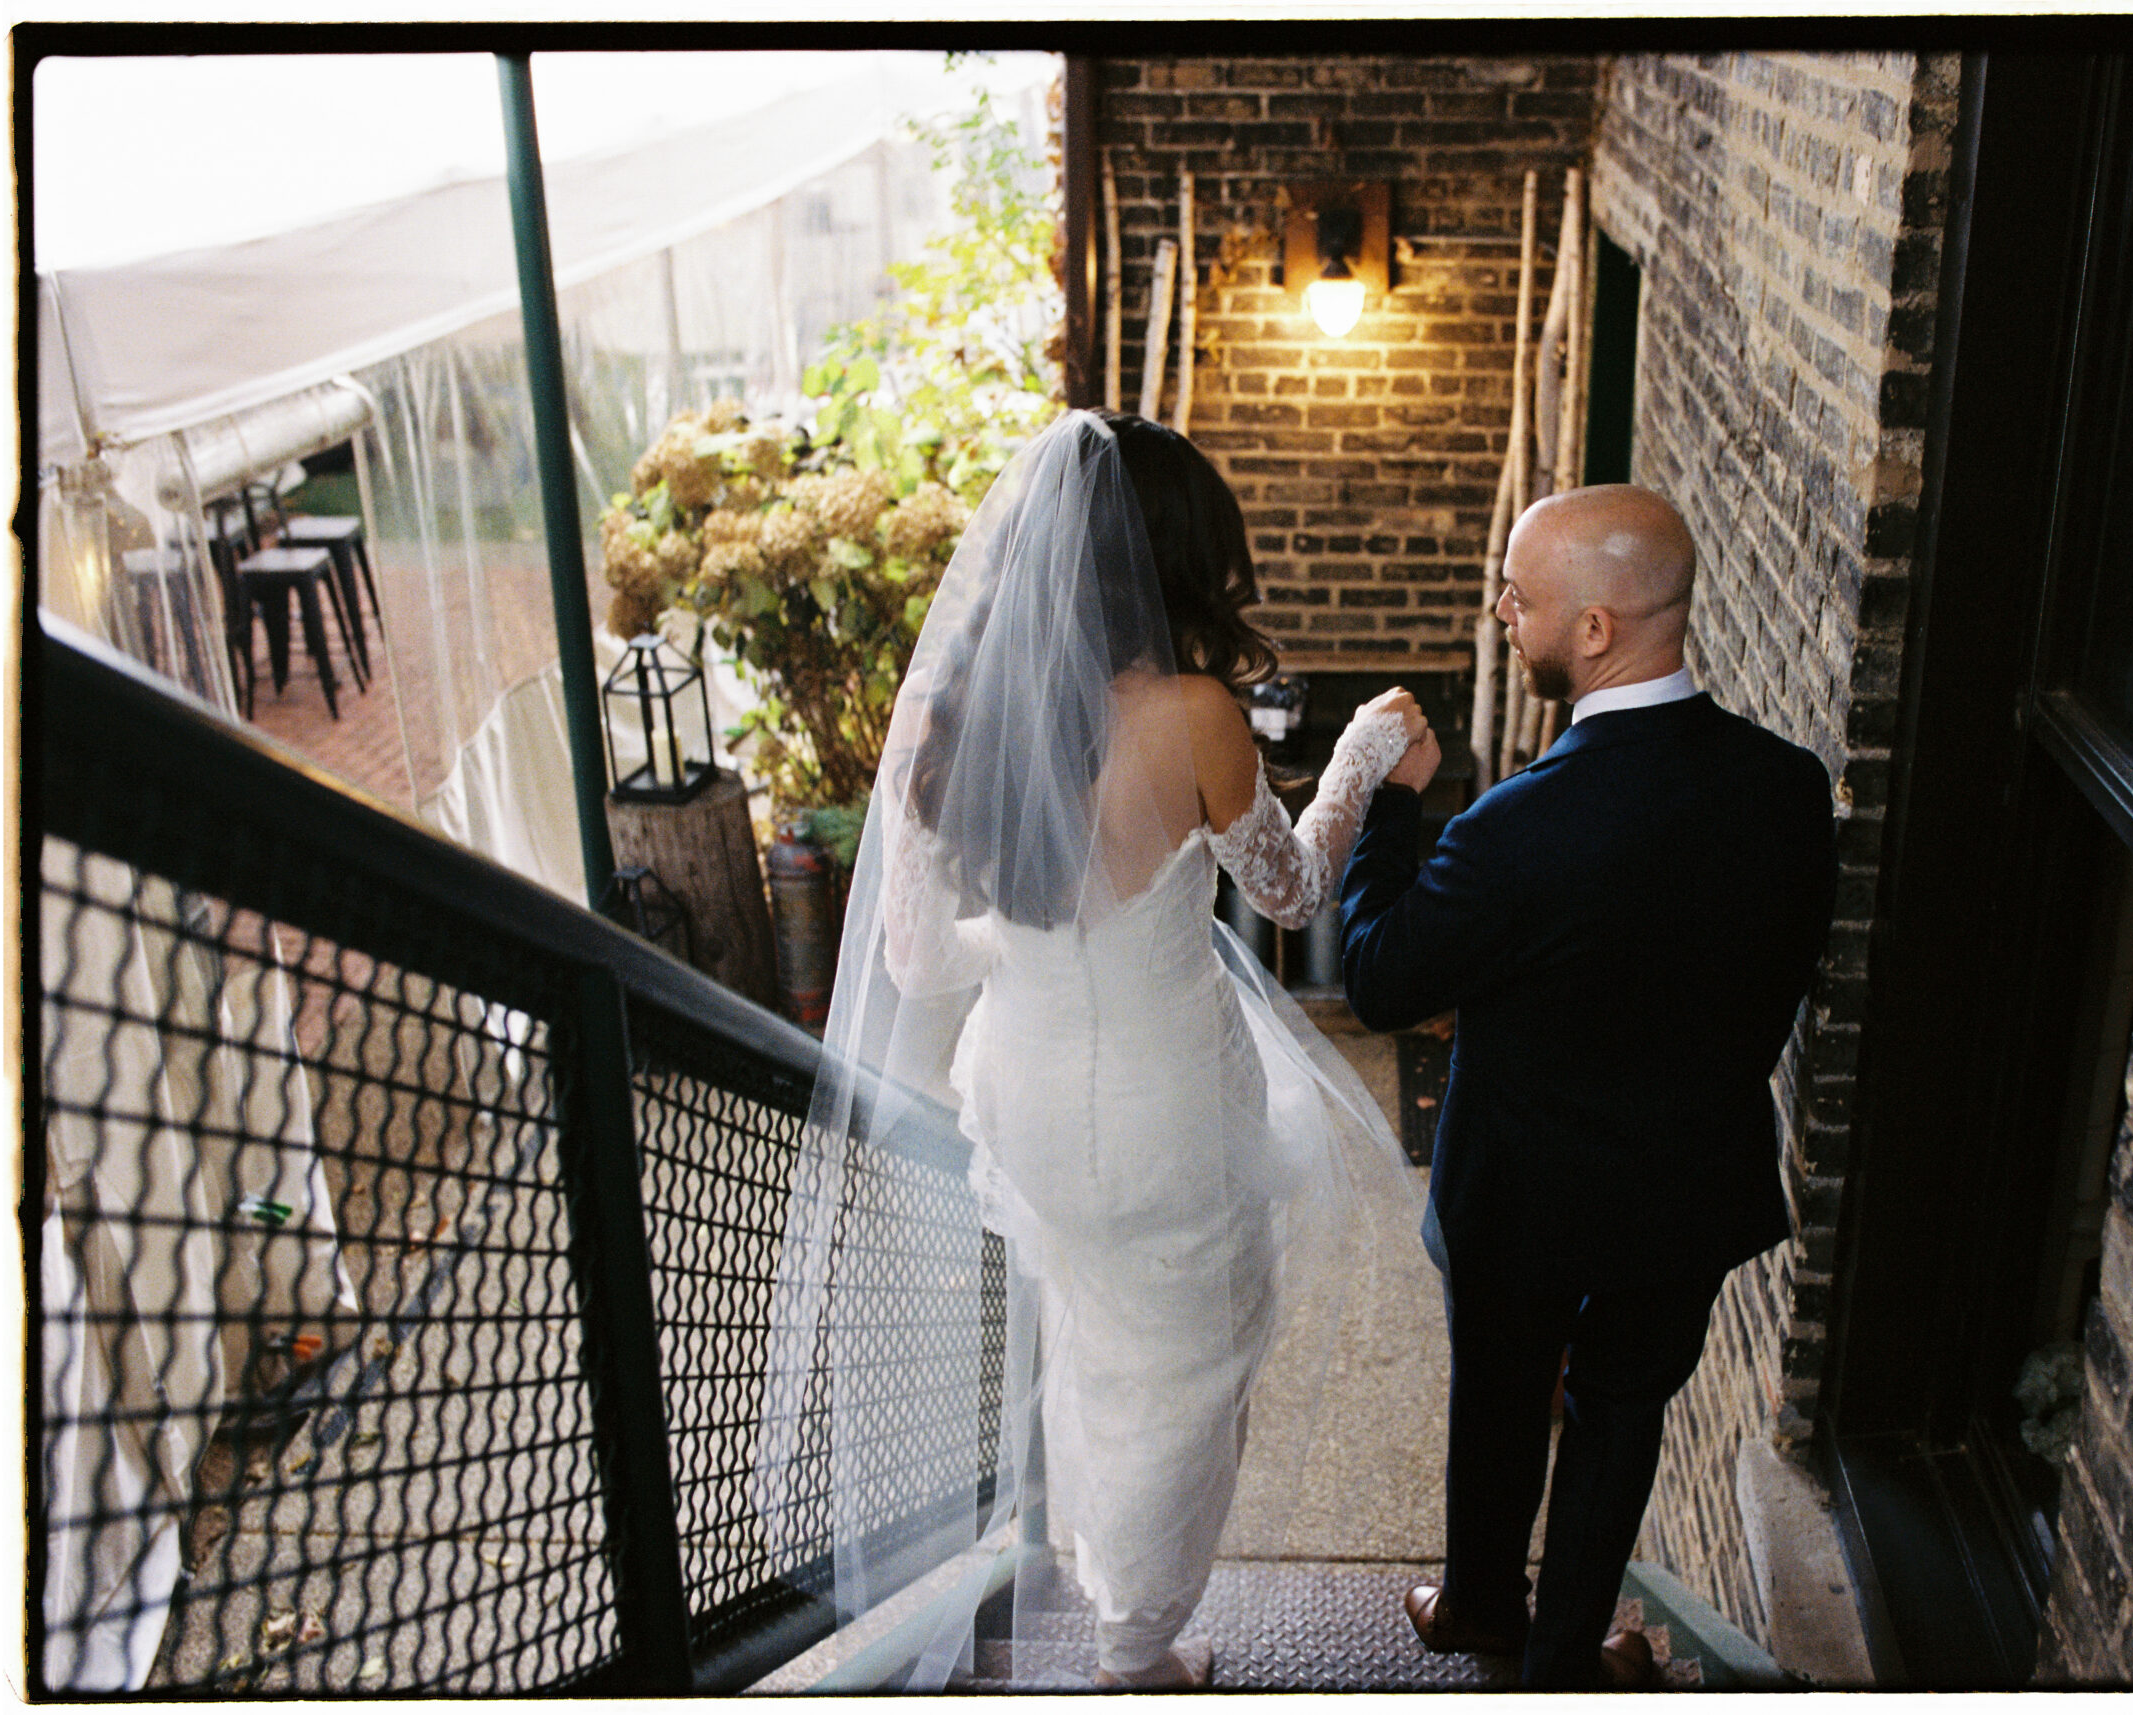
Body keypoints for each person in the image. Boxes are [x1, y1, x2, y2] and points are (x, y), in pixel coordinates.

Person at [757, 410, 1425, 1690]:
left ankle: (1092, 1559)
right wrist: (1361, 752)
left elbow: (916, 961)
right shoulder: (1193, 713)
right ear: (1165, 566)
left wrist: (1031, 943)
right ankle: (1132, 1650)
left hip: (1028, 1091)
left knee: (1095, 1332)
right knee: (1189, 1370)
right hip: (1172, 1103)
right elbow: (1289, 891)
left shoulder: (955, 714)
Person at [1338, 484, 1838, 1689]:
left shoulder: (1516, 826)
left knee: (1501, 1401)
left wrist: (1393, 804)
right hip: (1685, 1180)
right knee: (1622, 1416)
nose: (1503, 609)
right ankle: (1565, 1658)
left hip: (1518, 1188)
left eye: (1521, 591)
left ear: (1599, 628)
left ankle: (1475, 1608)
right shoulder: (1788, 783)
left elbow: (1378, 978)